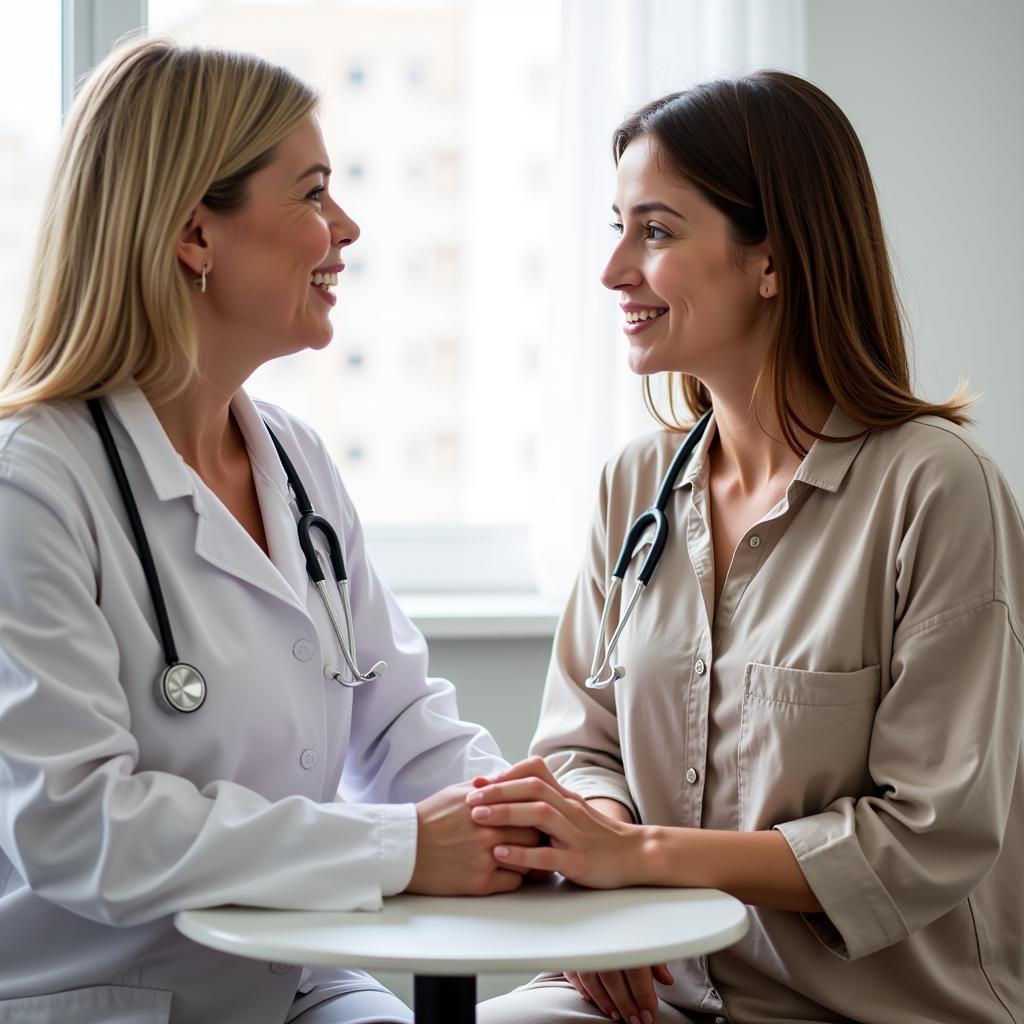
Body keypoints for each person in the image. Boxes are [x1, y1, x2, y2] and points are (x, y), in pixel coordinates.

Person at [0, 38, 541, 1024]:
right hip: (101, 995)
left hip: (295, 977)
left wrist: (523, 823)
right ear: (194, 235)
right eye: (314, 194)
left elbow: (401, 722)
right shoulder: (31, 485)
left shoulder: (293, 460)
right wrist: (403, 847)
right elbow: (76, 827)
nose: (348, 226)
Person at [473, 72, 1024, 1023]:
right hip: (657, 991)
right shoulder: (632, 486)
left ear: (771, 257)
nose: (614, 272)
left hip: (862, 1009)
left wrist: (644, 862)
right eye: (618, 228)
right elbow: (577, 744)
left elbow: (929, 831)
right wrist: (607, 887)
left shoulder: (936, 489)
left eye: (655, 231)